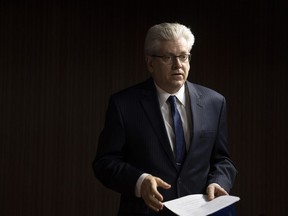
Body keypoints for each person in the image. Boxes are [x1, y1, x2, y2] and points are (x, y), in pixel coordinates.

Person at [92, 22, 237, 216]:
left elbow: (222, 160)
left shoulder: (214, 102)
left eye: (183, 57)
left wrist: (219, 181)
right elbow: (105, 162)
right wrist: (140, 181)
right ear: (150, 63)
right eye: (168, 57)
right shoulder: (124, 104)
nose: (178, 65)